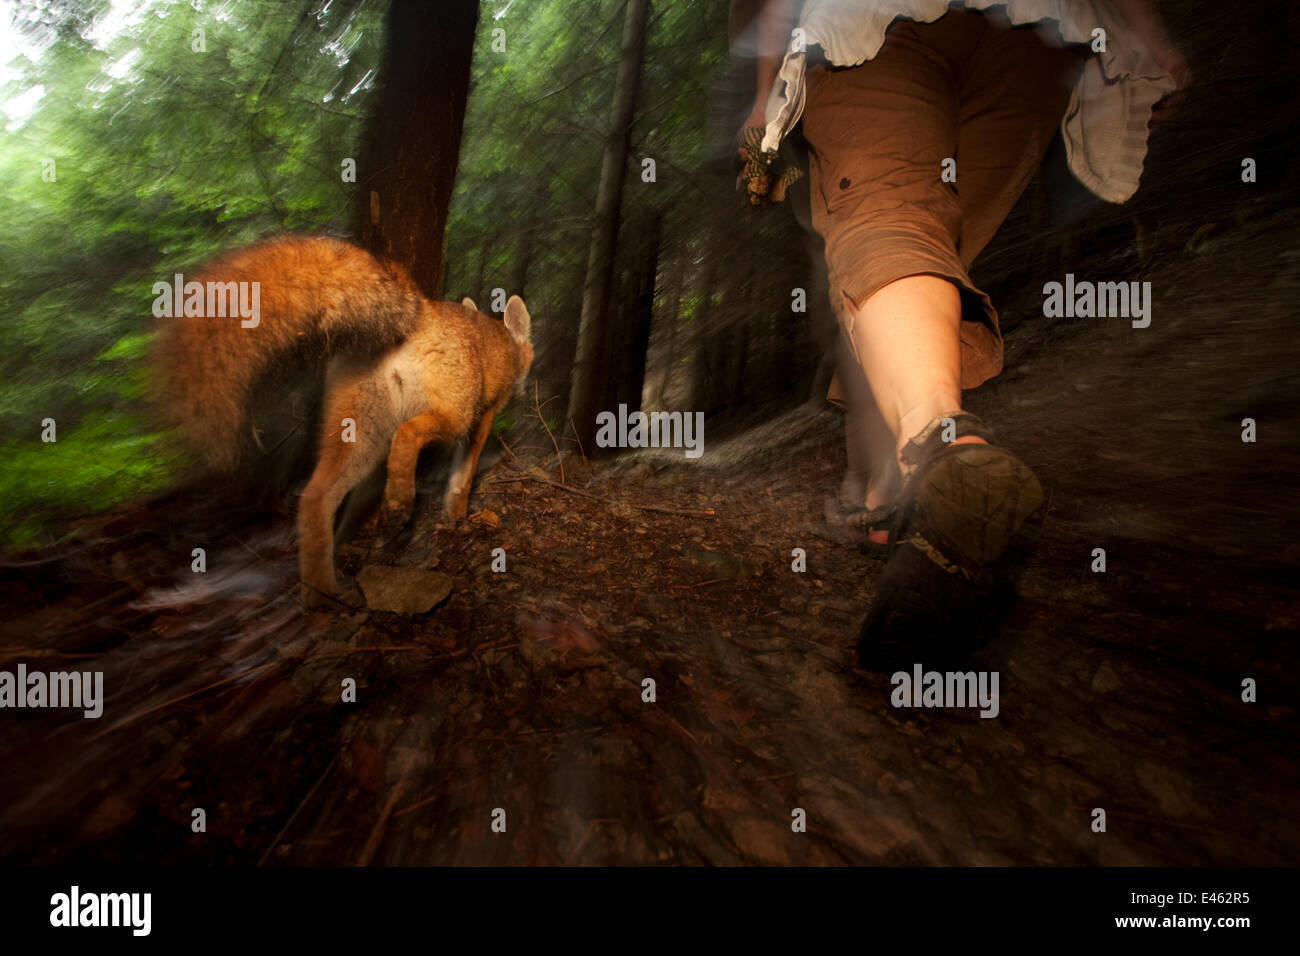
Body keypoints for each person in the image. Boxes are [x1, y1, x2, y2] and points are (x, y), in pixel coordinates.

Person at [733, 0, 1192, 667]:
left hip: (872, 24)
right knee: (930, 257)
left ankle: (937, 446)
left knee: (889, 221)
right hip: (1037, 33)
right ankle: (894, 498)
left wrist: (760, 99)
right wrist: (1152, 37)